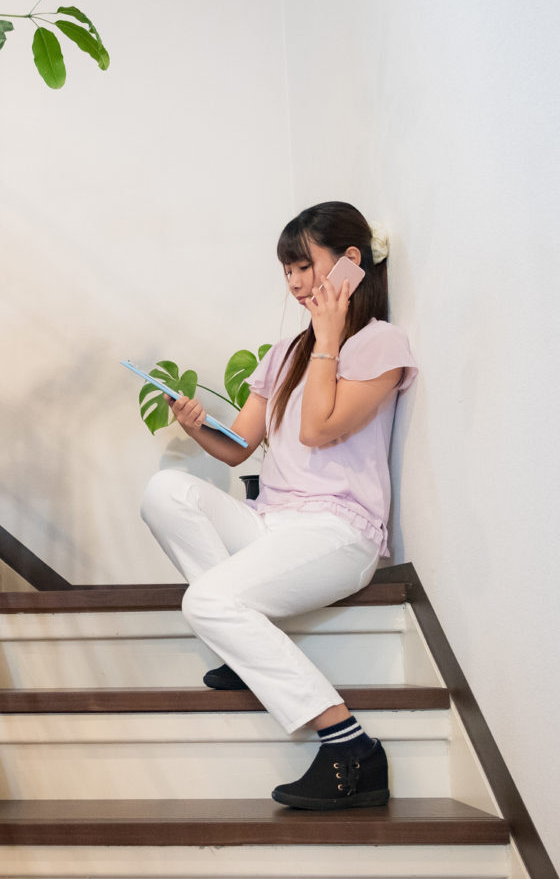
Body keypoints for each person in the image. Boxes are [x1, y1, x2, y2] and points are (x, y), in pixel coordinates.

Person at [140, 201, 418, 810]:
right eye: (286, 271)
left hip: (338, 533)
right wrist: (194, 424)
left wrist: (326, 338)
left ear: (351, 264)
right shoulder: (288, 352)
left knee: (207, 599)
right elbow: (239, 447)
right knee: (165, 490)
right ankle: (242, 645)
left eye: (303, 267)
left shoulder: (379, 346)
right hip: (271, 524)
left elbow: (319, 428)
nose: (294, 284)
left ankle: (351, 748)